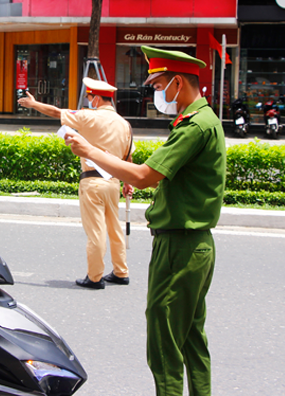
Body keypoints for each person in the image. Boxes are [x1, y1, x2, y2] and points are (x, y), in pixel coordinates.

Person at [62, 46, 226, 395]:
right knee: (191, 336)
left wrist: (90, 151)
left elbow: (144, 176)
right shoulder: (200, 120)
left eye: (158, 84)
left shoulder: (194, 127)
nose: (155, 93)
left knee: (164, 340)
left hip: (180, 246)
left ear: (177, 83)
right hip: (190, 243)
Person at [18, 77, 134, 290]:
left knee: (96, 231)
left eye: (90, 97)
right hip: (114, 182)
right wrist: (128, 183)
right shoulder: (124, 124)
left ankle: (95, 277)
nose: (89, 101)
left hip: (93, 182)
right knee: (114, 227)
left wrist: (34, 104)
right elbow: (128, 157)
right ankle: (121, 272)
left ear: (96, 98)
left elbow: (56, 112)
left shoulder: (89, 117)